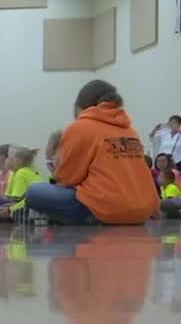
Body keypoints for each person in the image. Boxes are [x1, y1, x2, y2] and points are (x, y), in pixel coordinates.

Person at [24, 80, 158, 225]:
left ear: (79, 107)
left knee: (33, 191)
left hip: (107, 209)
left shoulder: (80, 127)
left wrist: (57, 170)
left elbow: (67, 179)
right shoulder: (130, 131)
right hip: (141, 211)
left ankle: (85, 220)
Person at [0, 146, 44, 220]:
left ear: (16, 160)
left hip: (33, 204)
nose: (5, 160)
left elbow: (17, 199)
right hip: (25, 202)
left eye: (7, 157)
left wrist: (9, 208)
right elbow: (8, 197)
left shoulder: (21, 172)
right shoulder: (13, 173)